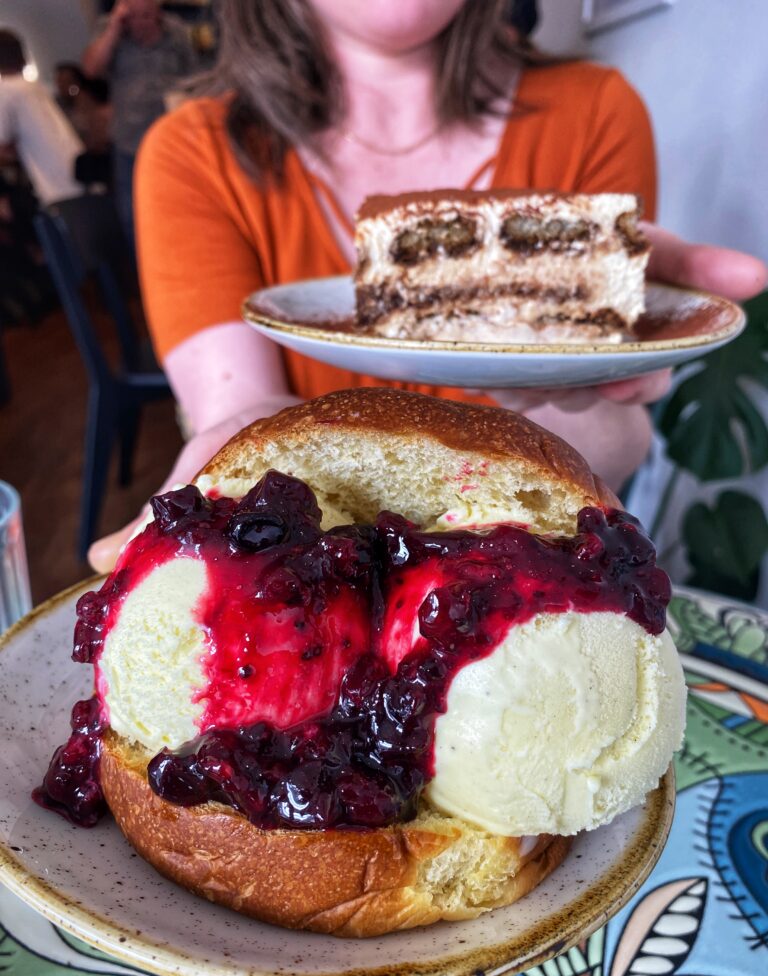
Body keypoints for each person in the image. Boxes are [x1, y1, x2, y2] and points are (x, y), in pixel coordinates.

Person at [88, 0, 767, 572]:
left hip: (520, 576)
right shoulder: (195, 152)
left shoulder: (596, 110)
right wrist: (241, 443)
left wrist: (578, 392)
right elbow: (247, 409)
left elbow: (613, 441)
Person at [81, 0, 196, 245]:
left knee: (181, 207)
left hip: (173, 141)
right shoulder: (111, 30)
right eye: (134, 16)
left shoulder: (175, 31)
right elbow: (91, 69)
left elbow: (194, 79)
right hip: (129, 144)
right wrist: (114, 28)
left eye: (147, 15)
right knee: (134, 217)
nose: (141, 22)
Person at [0, 30, 84, 205]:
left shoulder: (7, 91)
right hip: (75, 173)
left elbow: (3, 145)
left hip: (56, 187)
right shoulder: (33, 87)